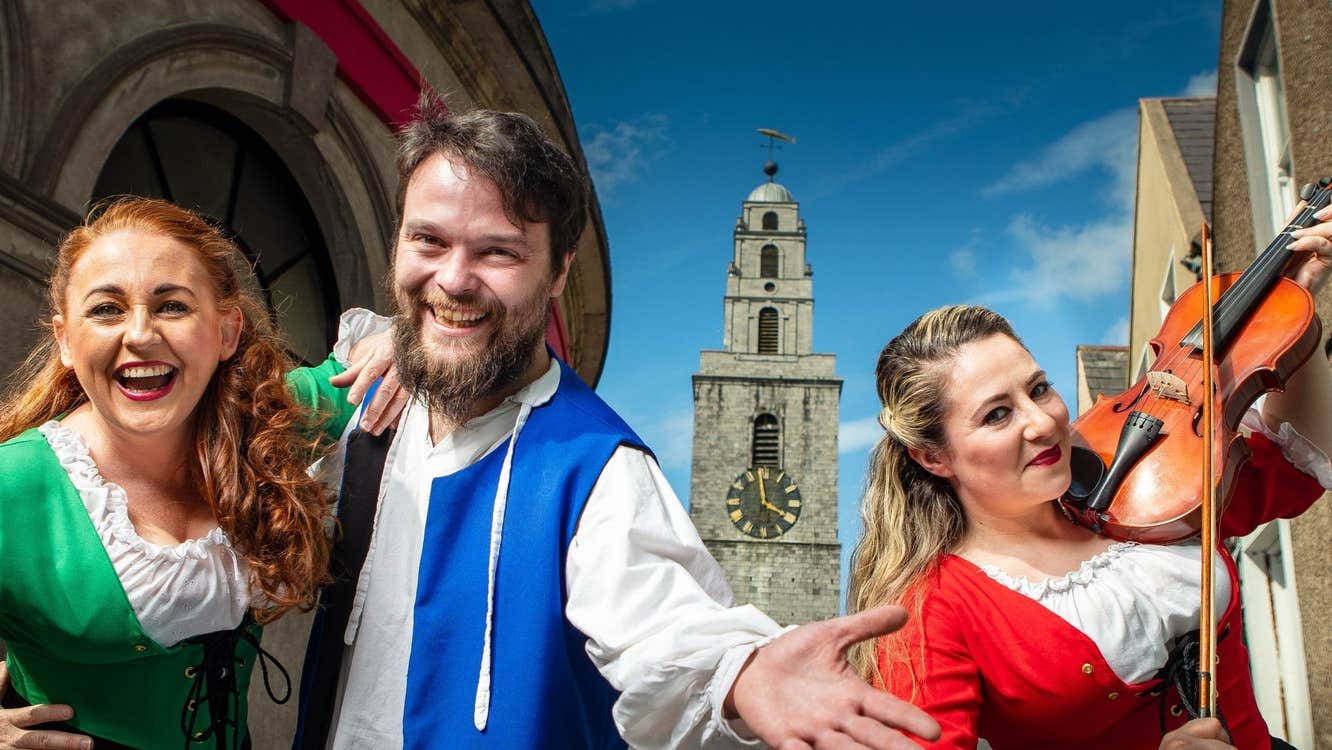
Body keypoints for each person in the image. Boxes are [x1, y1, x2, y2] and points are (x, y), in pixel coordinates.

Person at [293, 97, 942, 750]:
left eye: (498, 253)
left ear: (559, 270)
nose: (453, 280)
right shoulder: (362, 393)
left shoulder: (597, 471)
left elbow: (666, 626)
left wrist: (740, 673)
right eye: (429, 240)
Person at [847, 231, 1332, 750]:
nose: (1042, 422)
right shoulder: (928, 609)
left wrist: (1289, 322)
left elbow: (1296, 468)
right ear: (933, 456)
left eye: (1038, 389)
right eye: (996, 415)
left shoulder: (1139, 476)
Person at [0, 198, 371, 750]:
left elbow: (385, 356)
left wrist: (401, 345)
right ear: (65, 341)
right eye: (106, 309)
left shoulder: (265, 425)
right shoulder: (15, 483)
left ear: (226, 331)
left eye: (172, 305)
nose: (141, 333)